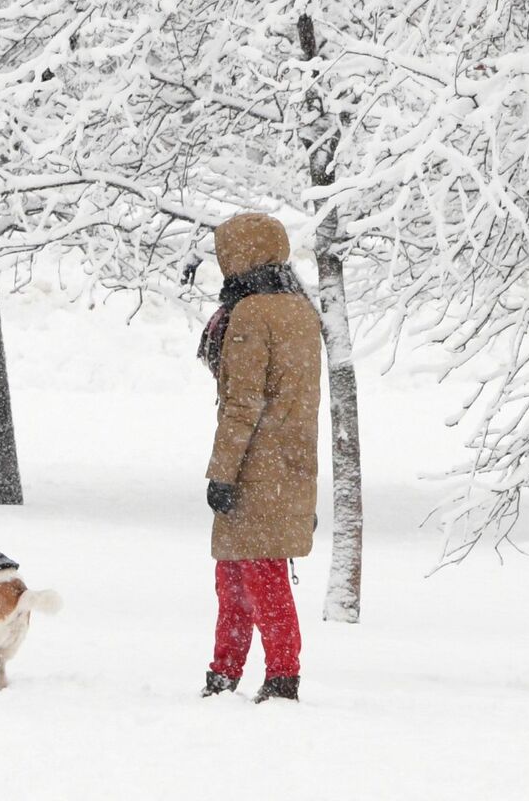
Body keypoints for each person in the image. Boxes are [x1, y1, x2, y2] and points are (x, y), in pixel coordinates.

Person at [195, 212, 322, 702]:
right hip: (290, 466)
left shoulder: (250, 314)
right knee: (248, 574)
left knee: (247, 582)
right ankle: (237, 675)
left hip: (254, 470)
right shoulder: (301, 310)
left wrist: (220, 475)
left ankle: (270, 676)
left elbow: (242, 403)